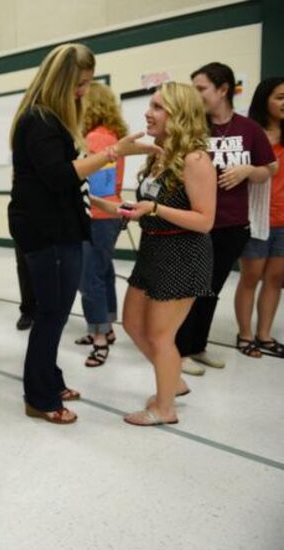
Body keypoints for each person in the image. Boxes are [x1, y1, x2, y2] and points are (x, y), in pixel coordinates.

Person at [8, 43, 158, 425]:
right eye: (79, 84)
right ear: (61, 81)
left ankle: (50, 380)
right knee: (51, 314)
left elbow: (67, 180)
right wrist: (112, 153)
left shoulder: (53, 119)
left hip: (61, 225)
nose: (83, 92)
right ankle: (39, 397)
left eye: (87, 84)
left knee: (55, 313)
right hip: (46, 231)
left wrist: (105, 205)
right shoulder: (39, 119)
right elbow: (59, 176)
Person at [100, 82, 216, 425]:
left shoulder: (195, 159)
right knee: (133, 323)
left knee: (161, 336)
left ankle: (165, 409)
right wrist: (105, 205)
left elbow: (205, 220)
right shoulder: (160, 154)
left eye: (158, 107)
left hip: (183, 255)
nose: (148, 113)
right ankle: (173, 381)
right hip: (154, 251)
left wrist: (155, 209)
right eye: (150, 105)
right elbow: (148, 206)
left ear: (179, 115)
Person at [179, 62, 279, 374]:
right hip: (197, 223)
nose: (196, 95)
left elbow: (269, 169)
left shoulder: (249, 129)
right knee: (190, 288)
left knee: (211, 289)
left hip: (233, 225)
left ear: (223, 90)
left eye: (201, 89)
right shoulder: (192, 128)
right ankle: (177, 351)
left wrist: (249, 171)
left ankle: (198, 347)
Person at [75, 82, 128, 367]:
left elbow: (95, 185)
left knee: (89, 277)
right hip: (111, 214)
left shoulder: (95, 140)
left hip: (97, 215)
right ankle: (106, 327)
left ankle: (98, 337)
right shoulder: (113, 136)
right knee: (104, 271)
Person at [235, 77, 284, 357]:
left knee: (275, 278)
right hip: (256, 216)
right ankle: (245, 334)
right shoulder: (250, 133)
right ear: (265, 99)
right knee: (250, 276)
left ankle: (265, 335)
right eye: (279, 97)